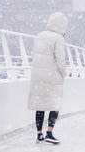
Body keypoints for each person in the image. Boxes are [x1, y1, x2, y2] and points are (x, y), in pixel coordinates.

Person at [28, 12, 68, 144]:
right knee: (54, 104)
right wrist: (63, 73)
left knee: (40, 104)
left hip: (38, 76)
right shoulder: (58, 38)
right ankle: (49, 133)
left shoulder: (39, 36)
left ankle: (39, 134)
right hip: (53, 76)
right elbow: (60, 60)